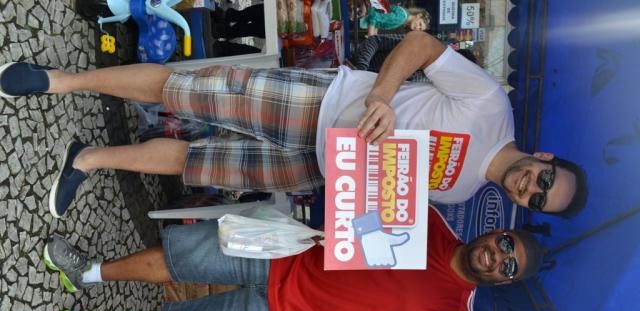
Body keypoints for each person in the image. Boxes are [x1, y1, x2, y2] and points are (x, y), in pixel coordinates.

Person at [0, 31, 587, 218]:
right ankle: (59, 80)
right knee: (184, 92)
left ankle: (86, 160)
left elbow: (386, 196)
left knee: (196, 162)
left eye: (538, 201)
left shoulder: (461, 193)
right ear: (545, 158)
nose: (529, 188)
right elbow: (420, 44)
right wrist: (383, 98)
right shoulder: (491, 105)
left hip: (315, 170)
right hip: (321, 105)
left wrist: (356, 228)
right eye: (543, 180)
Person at [26, 205, 544, 311]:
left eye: (509, 266)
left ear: (504, 281)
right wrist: (342, 225)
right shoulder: (427, 217)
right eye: (506, 244)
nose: (498, 257)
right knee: (178, 258)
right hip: (283, 249)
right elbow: (356, 210)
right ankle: (87, 271)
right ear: (497, 232)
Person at [351, 33, 477, 82]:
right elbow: (375, 41)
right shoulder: (421, 45)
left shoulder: (431, 82)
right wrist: (361, 69)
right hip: (350, 65)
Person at [359, 6, 430, 36]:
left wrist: (374, 34)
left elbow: (380, 18)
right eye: (420, 24)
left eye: (420, 29)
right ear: (419, 15)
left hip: (362, 16)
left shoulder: (404, 12)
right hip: (360, 16)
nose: (417, 27)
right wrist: (371, 37)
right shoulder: (401, 17)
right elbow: (374, 16)